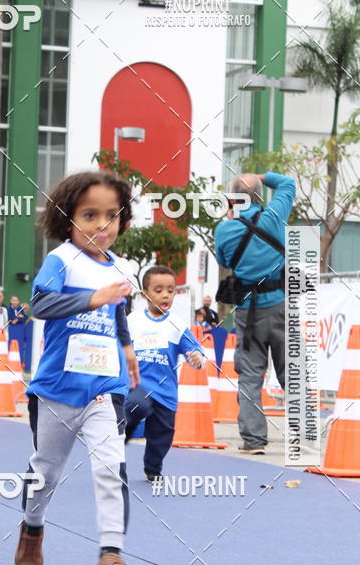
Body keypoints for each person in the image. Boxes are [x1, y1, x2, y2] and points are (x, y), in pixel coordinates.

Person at [15, 170, 139, 565]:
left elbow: (117, 313)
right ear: (68, 220)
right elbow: (40, 304)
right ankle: (33, 529)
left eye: (111, 216)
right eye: (89, 215)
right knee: (46, 472)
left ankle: (111, 554)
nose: (101, 226)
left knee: (110, 466)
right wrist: (92, 297)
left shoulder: (121, 267)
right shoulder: (62, 259)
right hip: (56, 389)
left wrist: (126, 349)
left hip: (105, 388)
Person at [214, 171, 296, 454]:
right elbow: (288, 183)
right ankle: (303, 439)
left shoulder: (224, 230)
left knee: (250, 375)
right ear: (260, 197)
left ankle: (253, 441)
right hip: (281, 307)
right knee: (291, 372)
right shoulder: (274, 216)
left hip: (248, 313)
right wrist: (262, 175)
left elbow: (224, 261)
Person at [125, 266, 204, 482]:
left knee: (162, 435)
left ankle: (153, 467)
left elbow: (194, 351)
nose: (165, 295)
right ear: (145, 294)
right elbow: (118, 348)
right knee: (126, 419)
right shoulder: (132, 321)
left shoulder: (176, 325)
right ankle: (113, 458)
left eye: (170, 290)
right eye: (158, 290)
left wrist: (196, 357)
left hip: (165, 392)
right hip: (137, 387)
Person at [7, 294, 28, 361]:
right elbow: (10, 317)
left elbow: (25, 318)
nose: (15, 302)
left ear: (18, 301)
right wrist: (18, 317)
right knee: (10, 345)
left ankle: (20, 361)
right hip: (11, 330)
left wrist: (17, 319)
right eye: (13, 300)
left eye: (16, 300)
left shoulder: (20, 309)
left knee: (19, 346)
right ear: (11, 301)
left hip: (19, 330)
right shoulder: (8, 309)